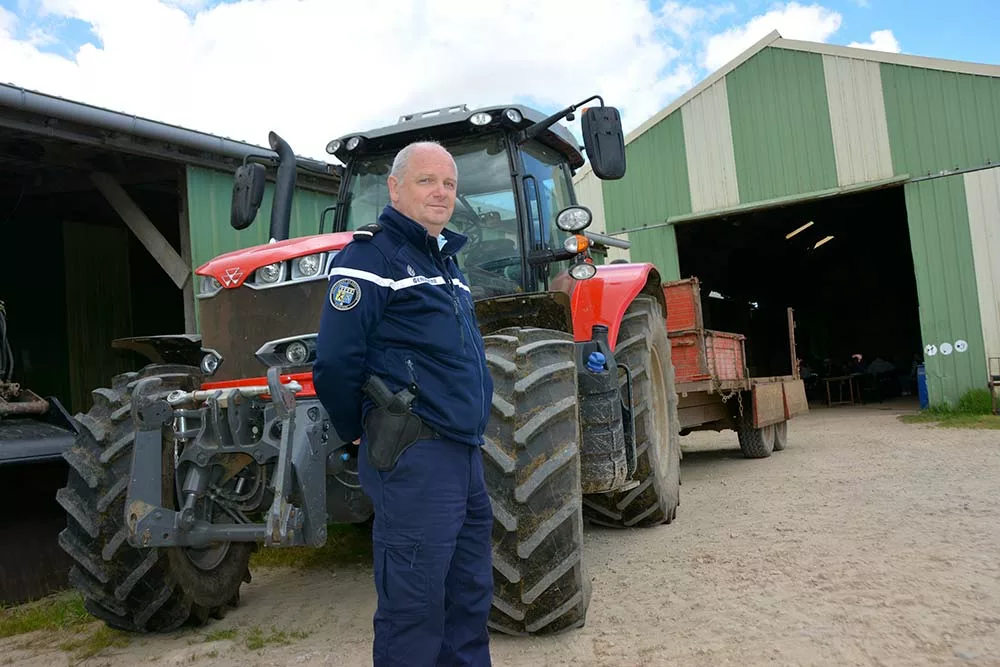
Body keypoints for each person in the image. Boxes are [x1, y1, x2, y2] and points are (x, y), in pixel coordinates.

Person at [313, 141, 495, 666]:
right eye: (426, 180)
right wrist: (357, 430)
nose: (440, 193)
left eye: (449, 184)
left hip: (464, 454)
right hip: (416, 454)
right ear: (394, 188)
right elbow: (336, 361)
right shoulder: (370, 257)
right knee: (413, 609)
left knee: (468, 598)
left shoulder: (449, 266)